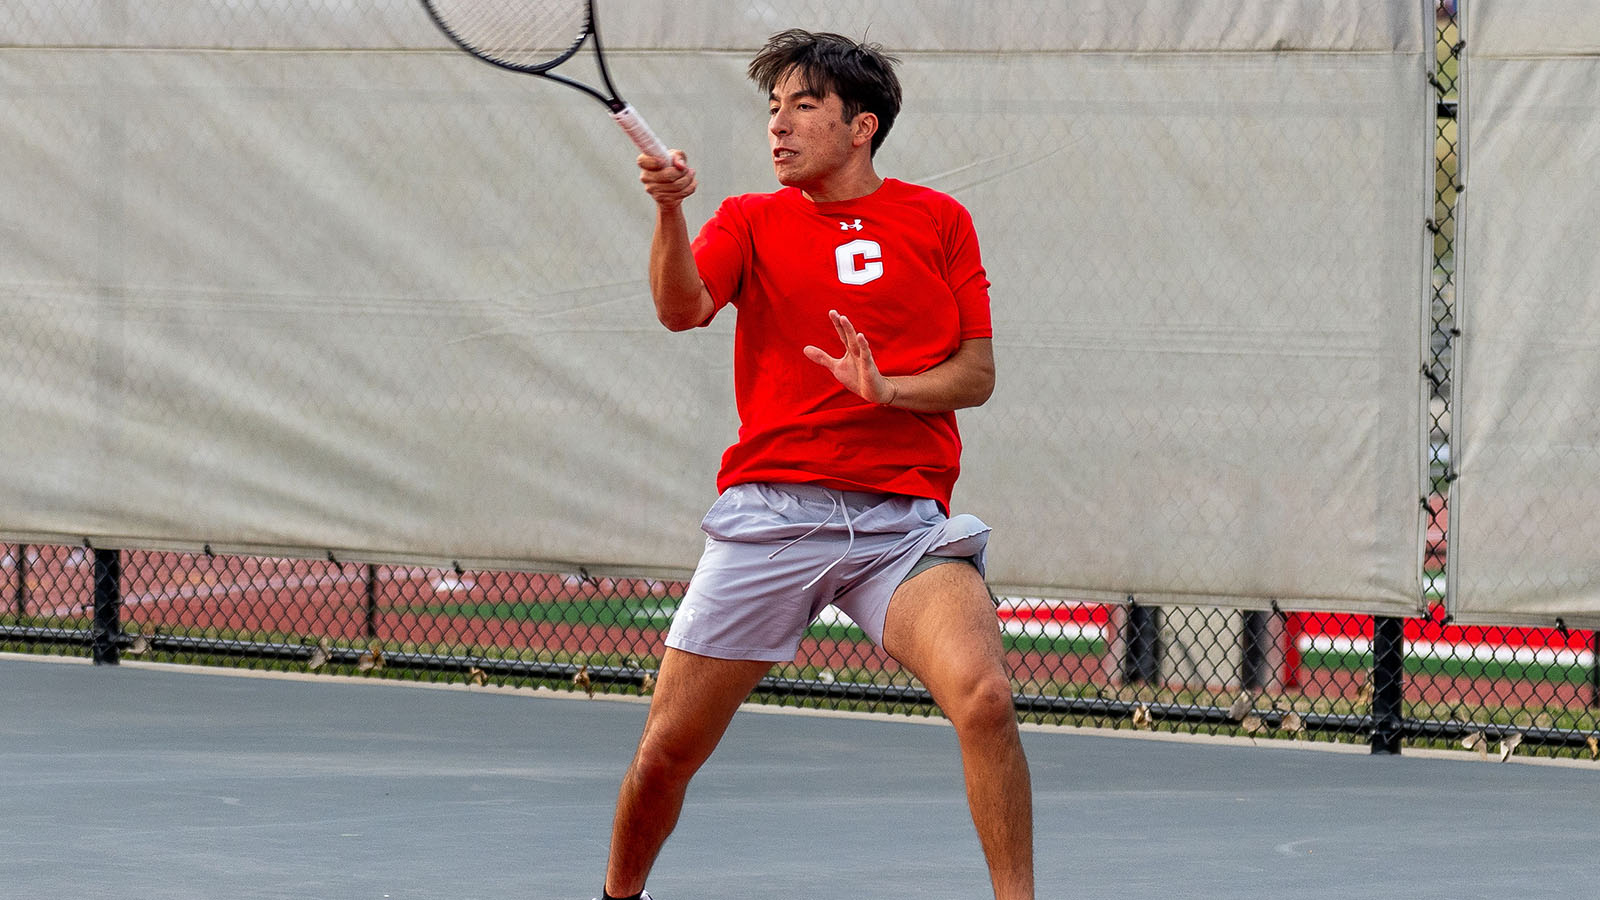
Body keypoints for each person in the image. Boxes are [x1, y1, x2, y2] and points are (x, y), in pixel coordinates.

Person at [599, 29, 1034, 900]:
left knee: (984, 697)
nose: (779, 126)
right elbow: (681, 309)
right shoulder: (749, 221)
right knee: (666, 754)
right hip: (770, 516)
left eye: (803, 106)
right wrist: (670, 210)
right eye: (773, 108)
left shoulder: (940, 221)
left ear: (862, 125)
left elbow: (977, 374)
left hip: (900, 528)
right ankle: (617, 896)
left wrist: (888, 390)